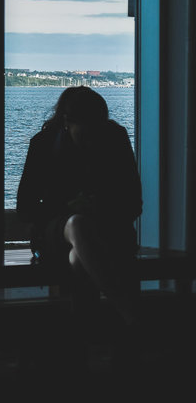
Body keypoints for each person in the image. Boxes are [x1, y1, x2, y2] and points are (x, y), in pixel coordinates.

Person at [16, 86, 142, 325]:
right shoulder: (42, 144)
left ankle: (82, 342)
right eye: (86, 134)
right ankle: (130, 319)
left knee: (78, 258)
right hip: (60, 230)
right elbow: (25, 208)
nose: (92, 142)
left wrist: (98, 209)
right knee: (78, 224)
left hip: (100, 229)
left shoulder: (114, 138)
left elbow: (133, 202)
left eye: (97, 134)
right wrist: (70, 208)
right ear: (67, 123)